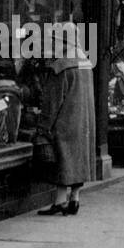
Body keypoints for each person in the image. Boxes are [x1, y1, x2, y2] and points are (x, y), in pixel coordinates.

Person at [32, 22, 96, 216]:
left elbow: (51, 103)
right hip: (83, 122)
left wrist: (42, 128)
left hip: (64, 122)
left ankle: (60, 201)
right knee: (77, 160)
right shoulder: (85, 63)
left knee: (62, 161)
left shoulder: (61, 67)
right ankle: (74, 199)